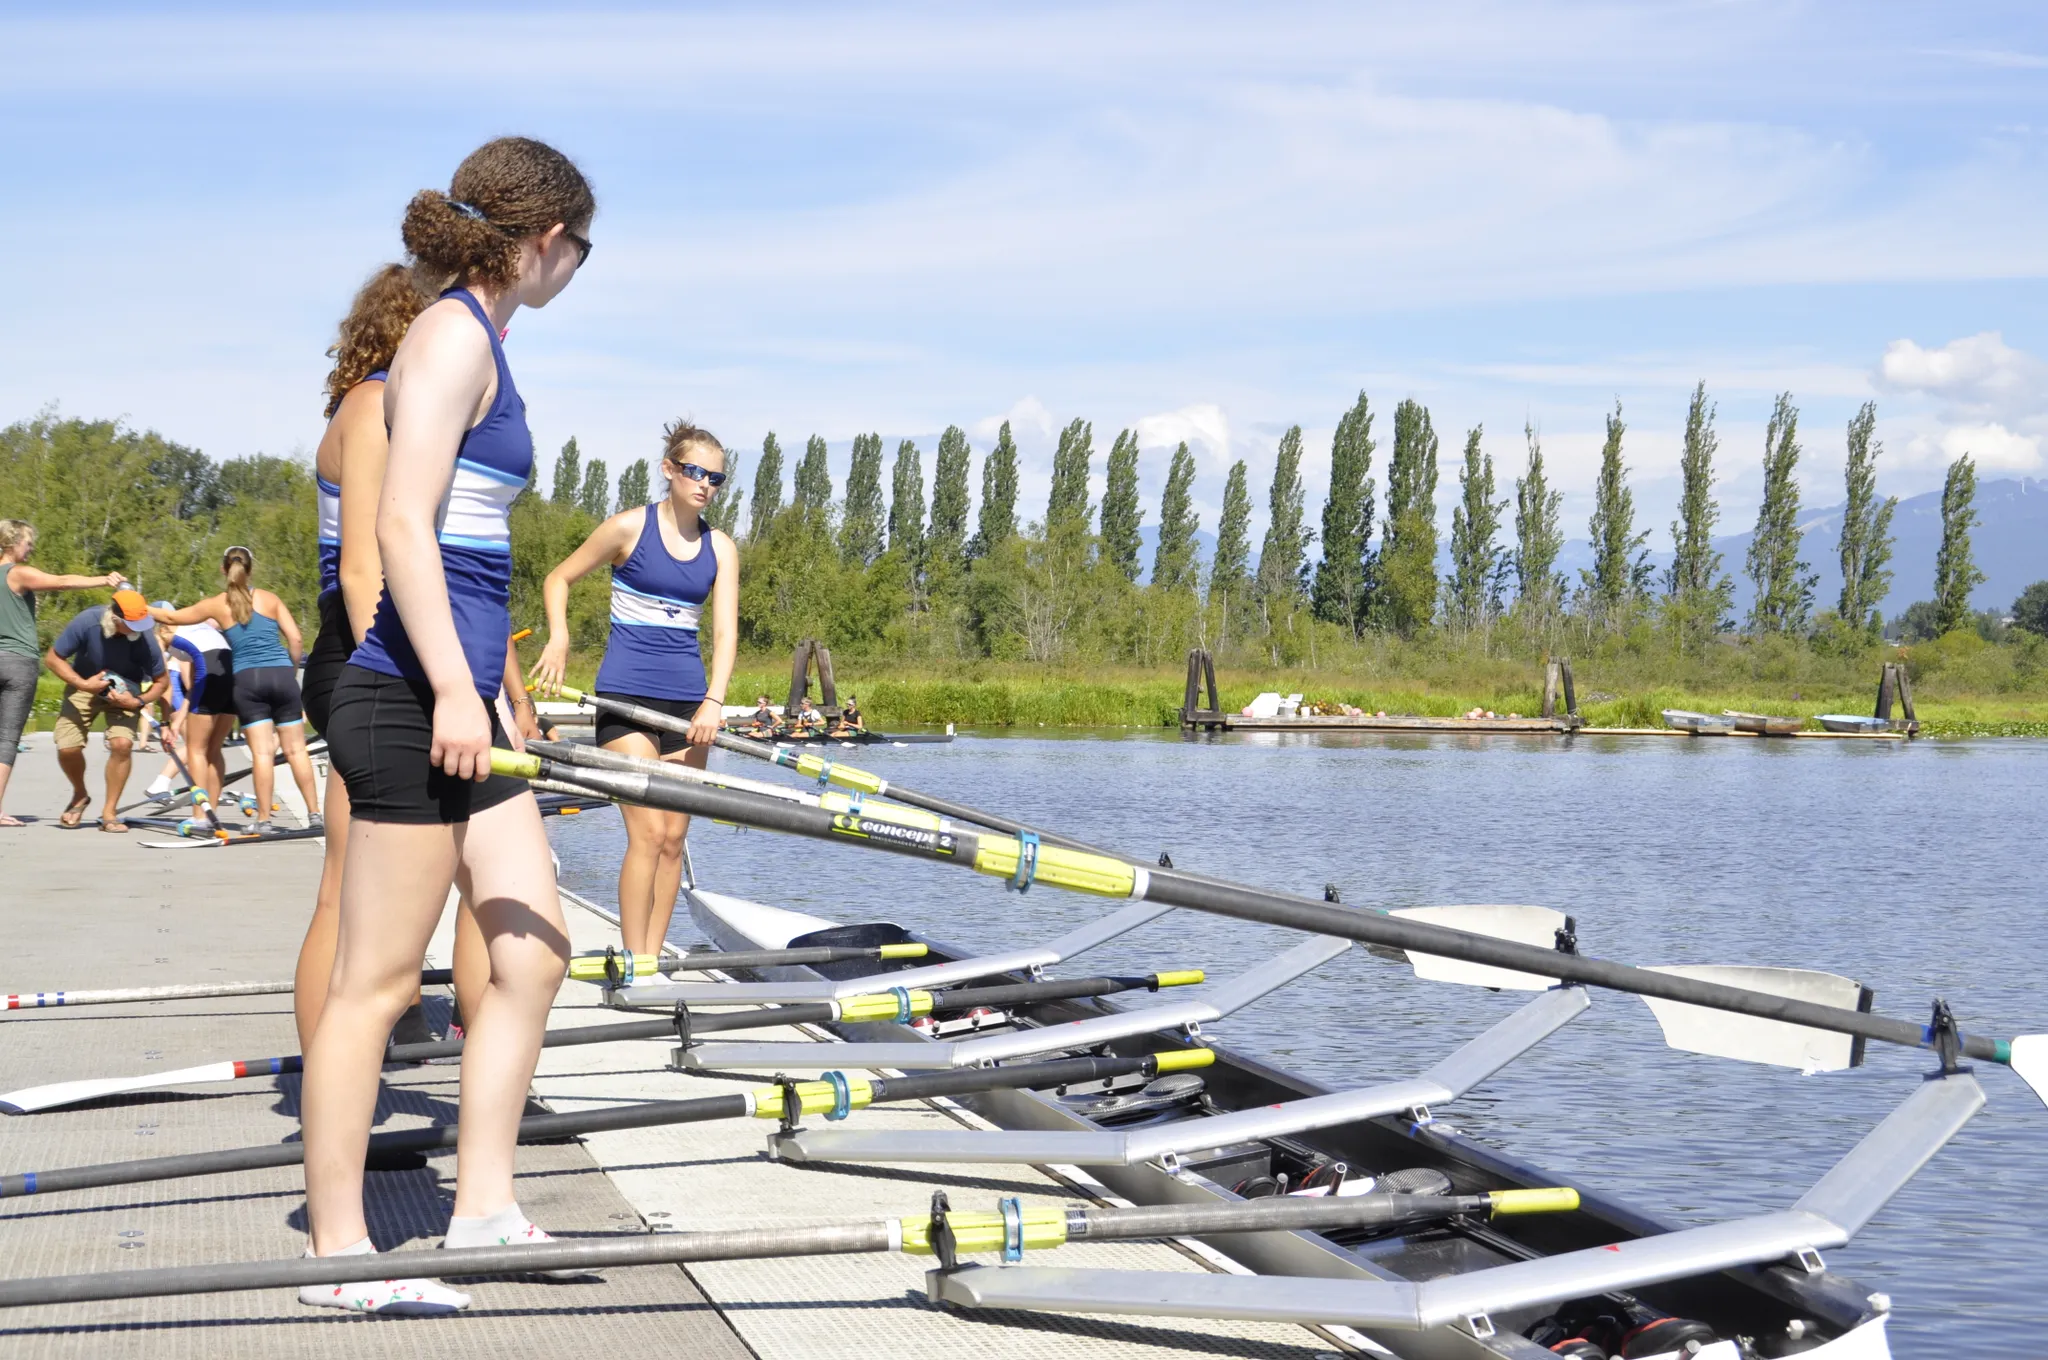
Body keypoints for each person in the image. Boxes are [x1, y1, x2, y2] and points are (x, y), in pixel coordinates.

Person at [304, 136, 592, 1314]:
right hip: (412, 701)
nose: (580, 266)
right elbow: (405, 529)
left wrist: (491, 687)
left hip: (464, 705)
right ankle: (334, 1256)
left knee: (531, 953)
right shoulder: (453, 334)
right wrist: (460, 690)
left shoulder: (482, 335)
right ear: (539, 241)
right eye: (581, 246)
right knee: (375, 985)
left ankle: (482, 1208)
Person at [296, 261, 500, 1052]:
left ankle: (474, 1047)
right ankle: (332, 1082)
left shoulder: (407, 408)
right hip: (364, 652)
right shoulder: (372, 405)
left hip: (408, 646)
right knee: (343, 890)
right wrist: (384, 681)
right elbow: (360, 568)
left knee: (482, 880)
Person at [531, 421, 738, 964]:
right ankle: (634, 962)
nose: (705, 484)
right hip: (624, 700)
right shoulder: (627, 529)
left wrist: (714, 701)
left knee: (673, 841)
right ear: (669, 470)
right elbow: (558, 578)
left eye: (716, 478)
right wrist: (559, 636)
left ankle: (651, 958)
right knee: (646, 834)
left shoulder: (721, 549)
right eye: (694, 471)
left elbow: (725, 633)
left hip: (688, 708)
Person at [149, 548, 322, 833]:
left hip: (247, 681)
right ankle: (315, 815)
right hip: (281, 676)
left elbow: (171, 618)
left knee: (263, 754)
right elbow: (296, 638)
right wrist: (290, 671)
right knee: (295, 749)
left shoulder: (217, 604)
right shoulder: (270, 598)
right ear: (250, 569)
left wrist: (139, 609)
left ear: (223, 569)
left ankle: (263, 820)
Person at [0, 520, 123, 827]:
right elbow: (63, 581)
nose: (31, 547)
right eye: (28, 542)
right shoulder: (15, 573)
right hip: (17, 662)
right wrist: (103, 580)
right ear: (12, 543)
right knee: (6, 738)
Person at [43, 590, 169, 830]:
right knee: (67, 747)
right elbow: (52, 659)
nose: (137, 630)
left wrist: (138, 702)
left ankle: (109, 813)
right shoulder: (87, 622)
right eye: (132, 625)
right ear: (115, 619)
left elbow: (162, 682)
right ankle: (80, 794)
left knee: (121, 744)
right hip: (85, 684)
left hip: (126, 691)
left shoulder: (145, 638)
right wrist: (83, 684)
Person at [140, 607, 200, 800]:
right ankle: (160, 783)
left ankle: (200, 785)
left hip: (174, 690)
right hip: (177, 691)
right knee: (194, 744)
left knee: (196, 745)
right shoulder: (178, 644)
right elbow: (189, 682)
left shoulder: (163, 643)